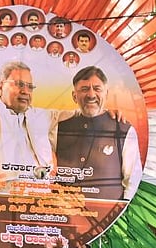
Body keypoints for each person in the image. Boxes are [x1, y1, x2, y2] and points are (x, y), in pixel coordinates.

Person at [0, 61, 56, 192]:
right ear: (0, 87)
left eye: (30, 87)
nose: (25, 91)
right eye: (19, 85)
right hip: (1, 207)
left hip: (38, 207)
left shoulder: (39, 119)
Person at [54, 66, 142, 200]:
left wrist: (115, 214)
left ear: (106, 93)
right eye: (84, 89)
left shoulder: (124, 130)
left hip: (107, 216)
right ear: (74, 96)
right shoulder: (58, 125)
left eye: (97, 89)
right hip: (63, 214)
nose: (91, 95)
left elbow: (132, 180)